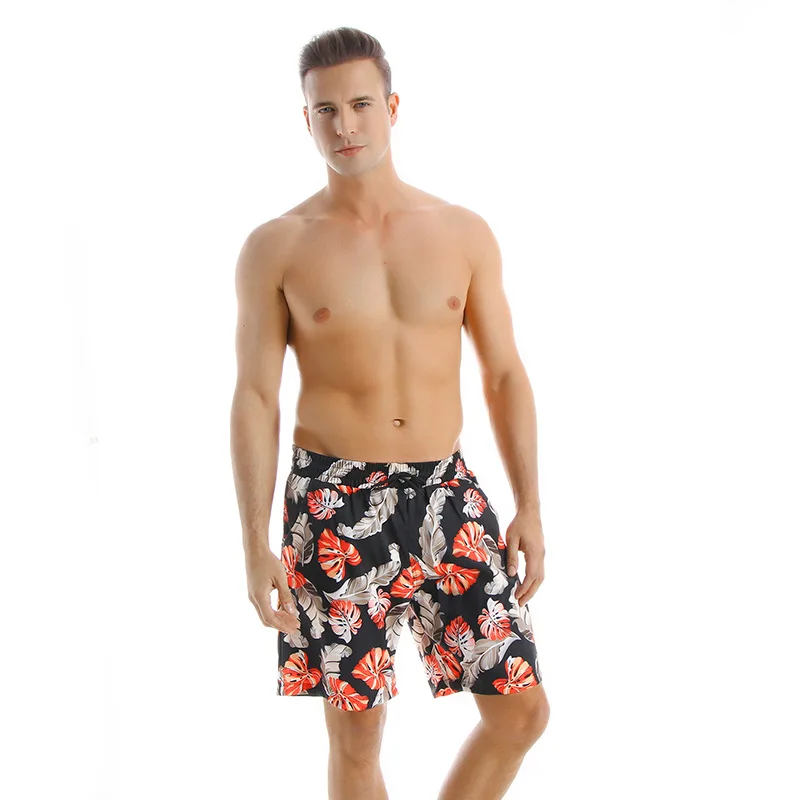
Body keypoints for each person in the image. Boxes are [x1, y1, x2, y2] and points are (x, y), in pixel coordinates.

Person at [230, 25, 549, 800]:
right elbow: (257, 395)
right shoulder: (277, 246)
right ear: (306, 120)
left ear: (393, 107)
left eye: (361, 105)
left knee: (521, 714)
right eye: (327, 110)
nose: (345, 125)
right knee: (357, 735)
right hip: (333, 502)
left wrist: (531, 503)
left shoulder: (461, 232)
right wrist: (253, 540)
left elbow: (504, 372)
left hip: (448, 495)